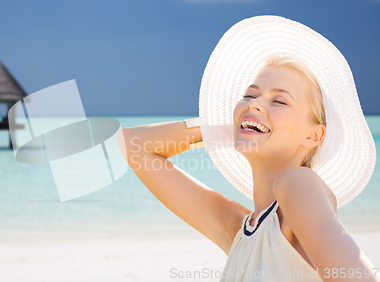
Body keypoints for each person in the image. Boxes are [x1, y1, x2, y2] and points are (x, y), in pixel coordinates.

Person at [118, 15, 379, 281]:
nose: (255, 103)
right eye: (250, 95)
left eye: (279, 101)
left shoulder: (298, 183)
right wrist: (228, 123)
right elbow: (132, 146)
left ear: (314, 135)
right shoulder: (240, 231)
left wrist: (249, 119)